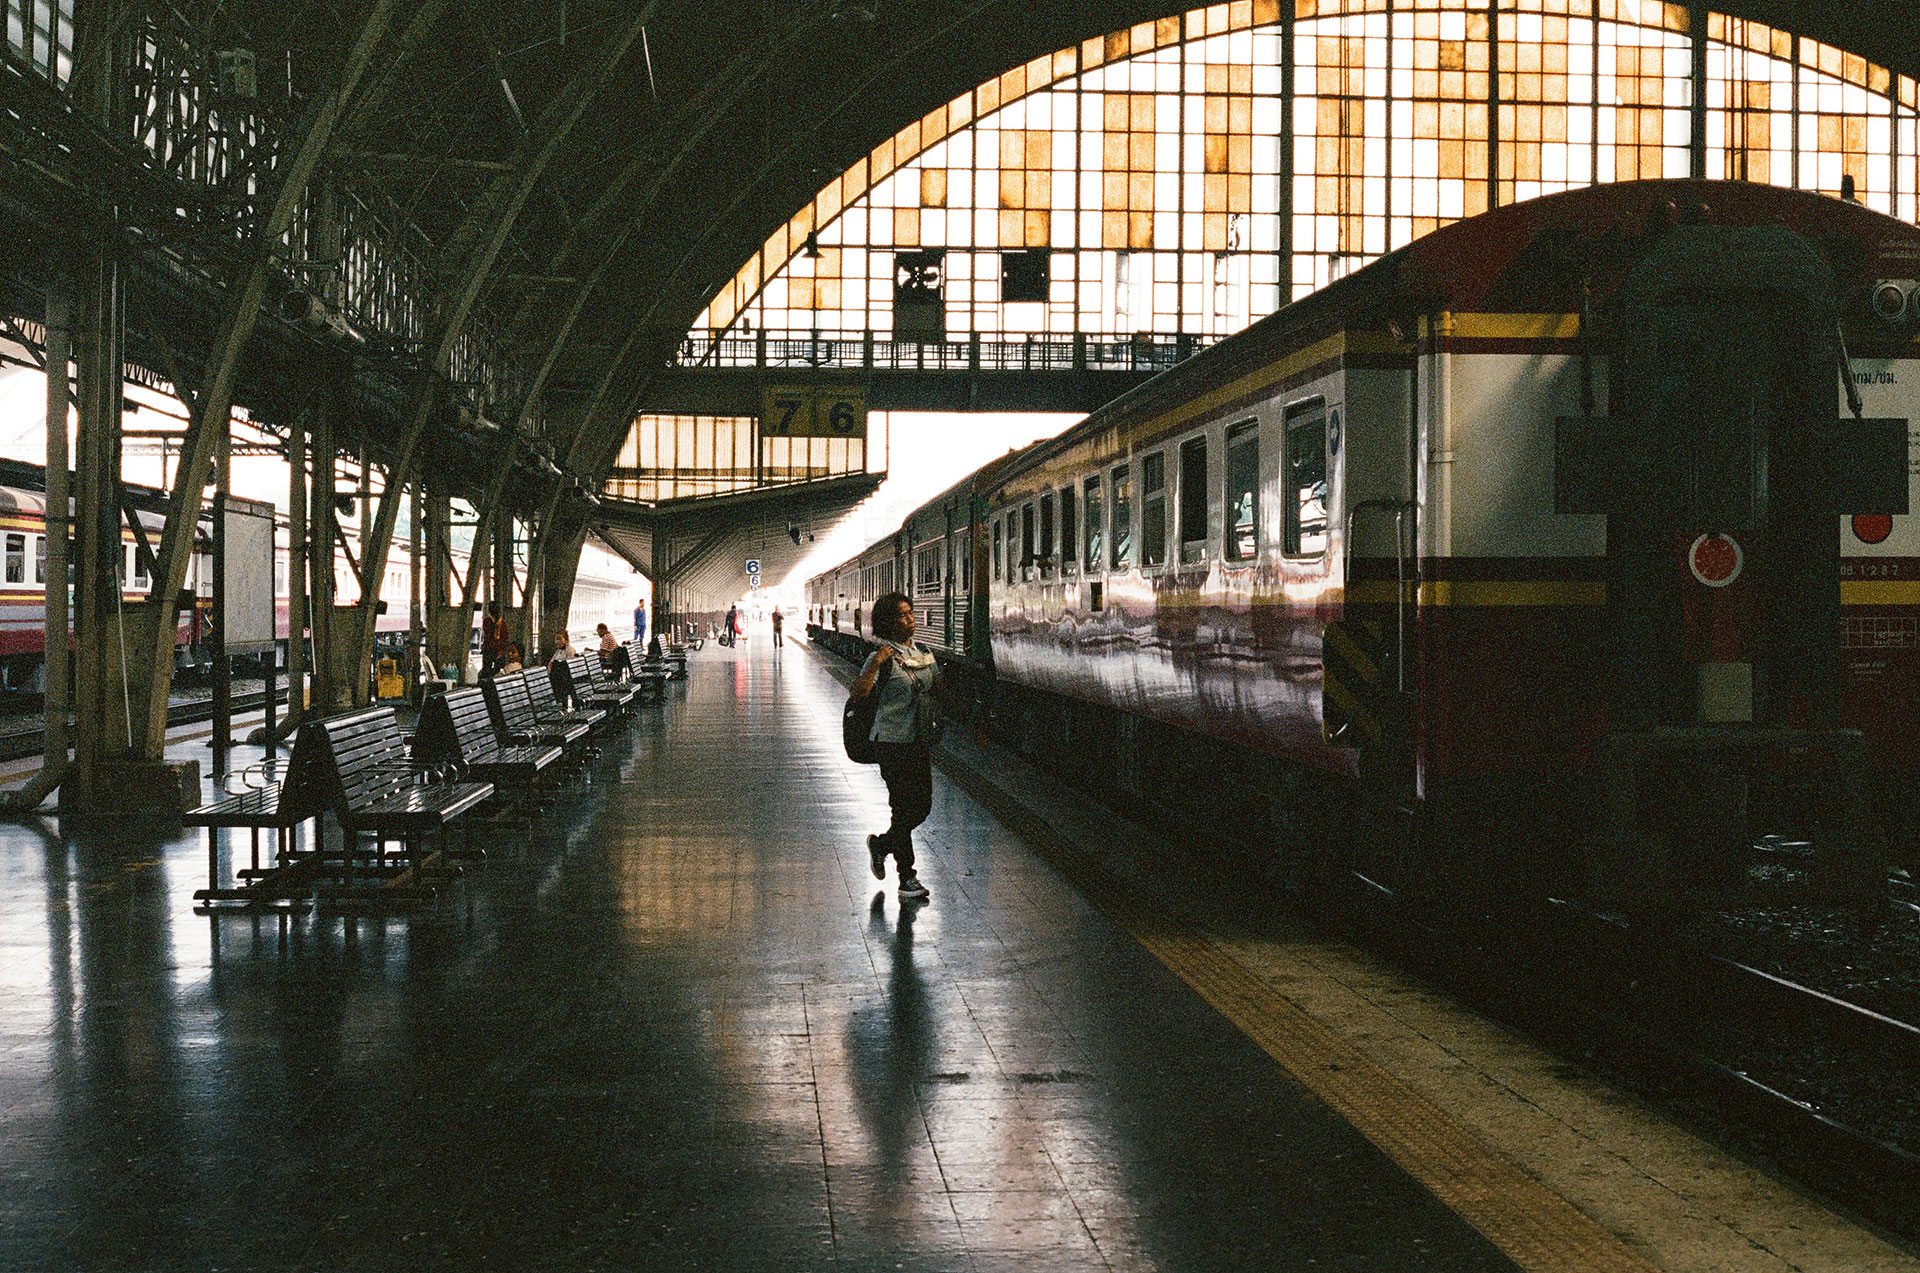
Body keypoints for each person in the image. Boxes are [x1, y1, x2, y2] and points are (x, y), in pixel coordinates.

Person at [849, 592, 941, 903]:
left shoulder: (923, 652)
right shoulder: (881, 658)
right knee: (902, 807)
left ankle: (882, 845)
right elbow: (859, 694)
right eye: (902, 615)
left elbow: (937, 688)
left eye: (911, 613)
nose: (911, 619)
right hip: (890, 743)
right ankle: (908, 878)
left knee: (922, 807)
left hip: (918, 741)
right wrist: (874, 664)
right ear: (889, 623)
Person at [481, 602, 509, 677]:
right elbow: (505, 638)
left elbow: (487, 635)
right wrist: (501, 650)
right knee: (498, 672)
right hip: (499, 650)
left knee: (487, 670)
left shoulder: (487, 621)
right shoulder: (502, 622)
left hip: (489, 649)